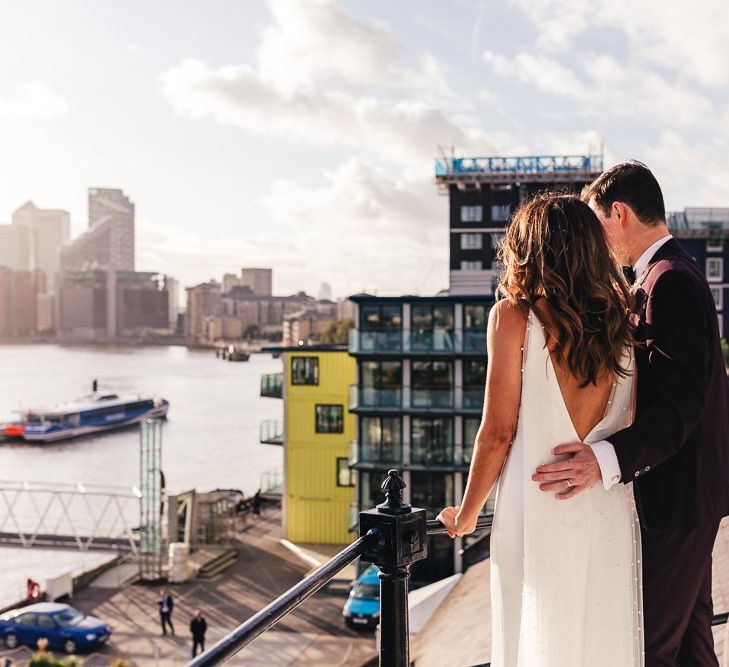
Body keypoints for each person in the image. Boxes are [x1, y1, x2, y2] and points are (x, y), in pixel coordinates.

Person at [532, 161, 729, 665]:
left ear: (617, 213)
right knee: (689, 646)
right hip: (687, 497)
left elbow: (683, 404)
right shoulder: (665, 276)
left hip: (678, 500)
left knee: (646, 650)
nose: (594, 243)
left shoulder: (670, 282)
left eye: (596, 225)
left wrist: (604, 459)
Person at [437, 193, 642, 665]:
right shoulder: (622, 318)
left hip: (534, 510)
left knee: (529, 635)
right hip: (607, 506)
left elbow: (497, 432)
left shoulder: (512, 316)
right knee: (598, 639)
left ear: (527, 247)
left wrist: (467, 516)